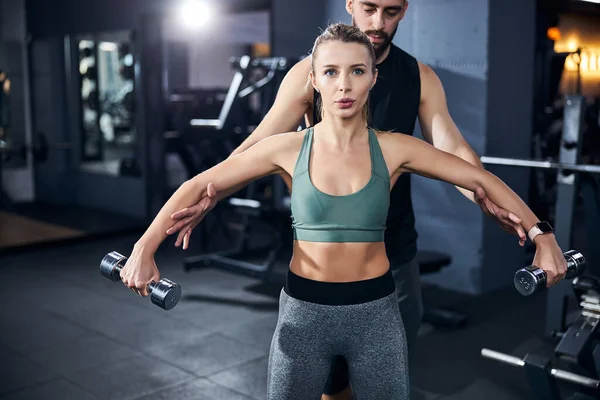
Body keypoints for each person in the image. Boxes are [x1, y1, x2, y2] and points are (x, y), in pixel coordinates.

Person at [121, 23, 567, 400]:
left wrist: (542, 236)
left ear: (374, 77)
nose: (344, 85)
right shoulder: (285, 148)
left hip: (376, 316)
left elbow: (480, 180)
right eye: (331, 72)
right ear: (313, 79)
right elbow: (200, 183)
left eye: (357, 71)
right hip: (302, 316)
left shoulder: (395, 149)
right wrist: (144, 248)